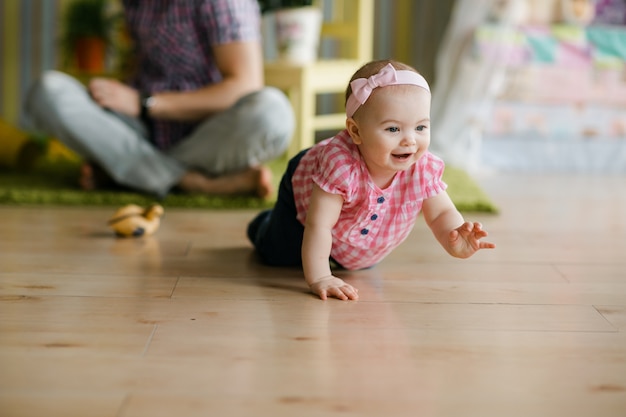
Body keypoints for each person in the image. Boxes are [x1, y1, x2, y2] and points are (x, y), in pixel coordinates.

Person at [247, 59, 496, 301]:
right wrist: (321, 277)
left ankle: (336, 253)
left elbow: (441, 214)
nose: (410, 140)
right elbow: (319, 225)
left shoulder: (421, 166)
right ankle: (263, 223)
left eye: (420, 128)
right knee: (280, 253)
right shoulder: (340, 167)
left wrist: (454, 236)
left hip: (352, 229)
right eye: (393, 129)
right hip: (306, 195)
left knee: (356, 265)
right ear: (355, 131)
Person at [24, 0, 294, 199]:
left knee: (273, 112)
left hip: (210, 133)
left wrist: (146, 102)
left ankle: (128, 171)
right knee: (47, 92)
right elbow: (143, 65)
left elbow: (244, 85)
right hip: (144, 129)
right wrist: (117, 94)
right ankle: (193, 182)